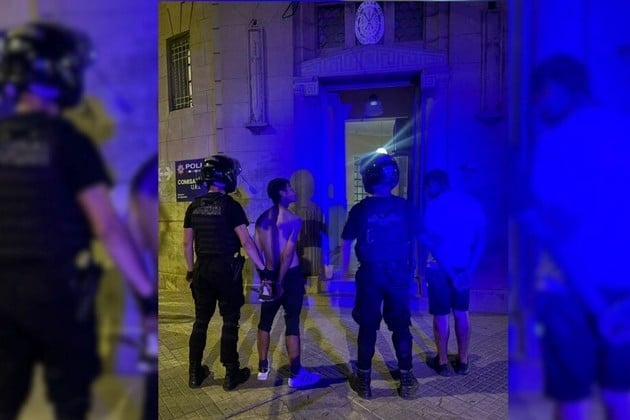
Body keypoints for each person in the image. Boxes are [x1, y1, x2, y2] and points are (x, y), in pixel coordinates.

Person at [0, 22, 155, 419]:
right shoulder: (68, 142)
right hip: (58, 293)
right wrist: (146, 294)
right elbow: (107, 227)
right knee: (70, 403)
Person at [527, 54, 630, 420]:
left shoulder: (557, 142)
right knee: (621, 396)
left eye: (541, 95)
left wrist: (599, 309)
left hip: (566, 292)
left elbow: (558, 236)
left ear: (558, 87)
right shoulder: (623, 129)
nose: (539, 107)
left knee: (573, 402)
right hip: (622, 288)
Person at [183, 154, 268, 391]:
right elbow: (246, 242)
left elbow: (186, 243)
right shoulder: (231, 206)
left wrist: (190, 270)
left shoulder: (193, 206)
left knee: (200, 321)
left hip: (202, 270)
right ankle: (231, 373)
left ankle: (194, 373)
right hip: (227, 271)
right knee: (230, 321)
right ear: (227, 176)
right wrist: (263, 269)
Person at [340, 153, 418, 400]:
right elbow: (415, 239)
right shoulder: (405, 207)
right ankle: (406, 379)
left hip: (370, 274)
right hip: (397, 274)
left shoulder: (360, 209)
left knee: (368, 326)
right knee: (401, 326)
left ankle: (364, 381)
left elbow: (346, 241)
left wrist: (344, 271)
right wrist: (414, 269)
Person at [254, 178, 321, 388]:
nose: (294, 191)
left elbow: (256, 249)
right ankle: (295, 373)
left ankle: (262, 368)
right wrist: (280, 281)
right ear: (282, 193)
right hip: (289, 277)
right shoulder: (293, 219)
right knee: (292, 322)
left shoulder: (261, 219)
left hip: (268, 274)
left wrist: (265, 275)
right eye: (290, 188)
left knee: (264, 322)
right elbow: (288, 254)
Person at [421, 169, 485, 377]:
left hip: (439, 269)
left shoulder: (433, 208)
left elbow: (433, 246)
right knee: (461, 312)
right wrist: (468, 271)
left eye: (428, 186)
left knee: (441, 315)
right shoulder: (470, 205)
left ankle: (442, 362)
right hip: (463, 267)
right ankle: (463, 361)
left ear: (434, 186)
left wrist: (451, 273)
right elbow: (480, 240)